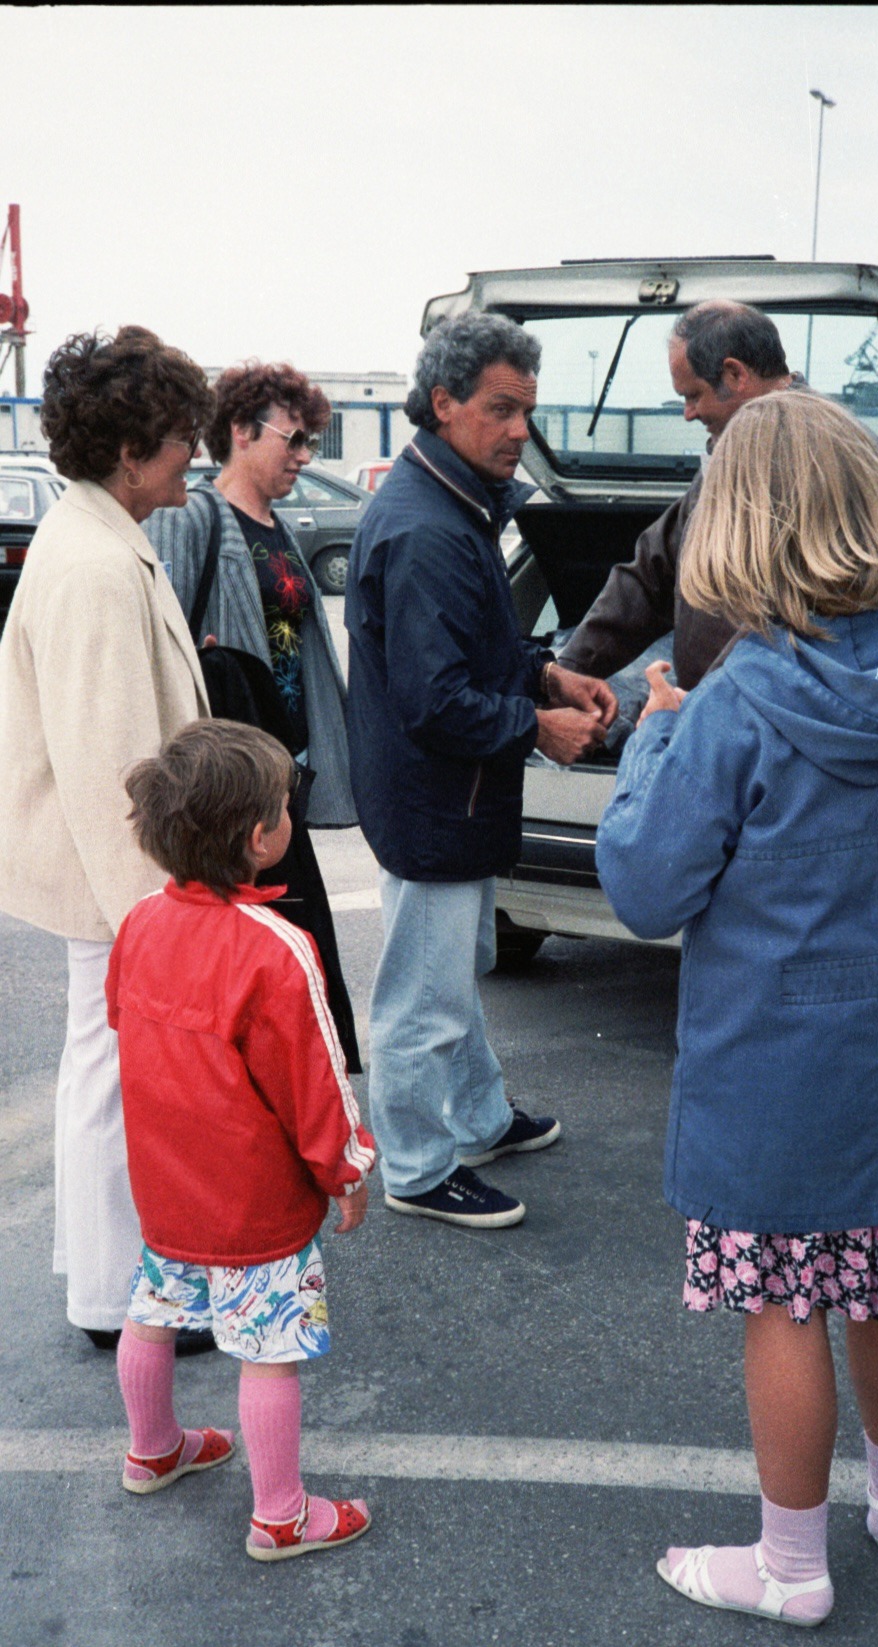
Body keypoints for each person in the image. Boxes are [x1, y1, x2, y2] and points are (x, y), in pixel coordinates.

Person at [595, 393, 878, 1627]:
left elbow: (644, 886)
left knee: (786, 1299)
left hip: (774, 1076)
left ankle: (791, 1566)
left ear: (735, 532)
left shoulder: (735, 702)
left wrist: (650, 741)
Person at [346, 312, 617, 1228]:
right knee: (423, 994)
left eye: (526, 412)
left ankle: (479, 1117)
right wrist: (536, 726)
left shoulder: (455, 504)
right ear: (443, 403)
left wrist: (545, 670)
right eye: (500, 411)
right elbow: (434, 700)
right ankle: (418, 1169)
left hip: (443, 796)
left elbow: (474, 647)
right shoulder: (427, 529)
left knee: (456, 964)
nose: (517, 432)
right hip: (433, 801)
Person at [108, 720, 376, 1562]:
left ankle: (154, 1448)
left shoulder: (141, 921)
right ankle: (282, 1512)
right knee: (270, 1350)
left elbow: (122, 1020)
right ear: (260, 837)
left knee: (150, 1312)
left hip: (164, 1181)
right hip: (251, 1199)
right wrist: (347, 1168)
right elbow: (314, 1082)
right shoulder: (275, 948)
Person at [0, 326, 214, 1353]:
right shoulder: (94, 565)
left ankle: (106, 1277)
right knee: (114, 1074)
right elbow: (110, 766)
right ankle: (113, 1294)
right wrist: (155, 918)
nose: (193, 457)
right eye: (179, 439)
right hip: (114, 878)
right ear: (130, 452)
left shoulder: (94, 539)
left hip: (102, 876)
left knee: (103, 1068)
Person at [145, 362, 362, 1072]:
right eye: (294, 440)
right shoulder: (194, 517)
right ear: (240, 432)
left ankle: (297, 1092)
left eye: (309, 443)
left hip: (284, 770)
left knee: (292, 939)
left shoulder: (278, 527)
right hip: (233, 783)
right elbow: (167, 637)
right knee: (257, 939)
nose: (304, 456)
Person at [559, 301, 795, 693]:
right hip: (711, 718)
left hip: (767, 726)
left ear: (735, 374)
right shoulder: (729, 450)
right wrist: (569, 671)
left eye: (693, 395)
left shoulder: (831, 456)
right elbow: (654, 570)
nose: (687, 414)